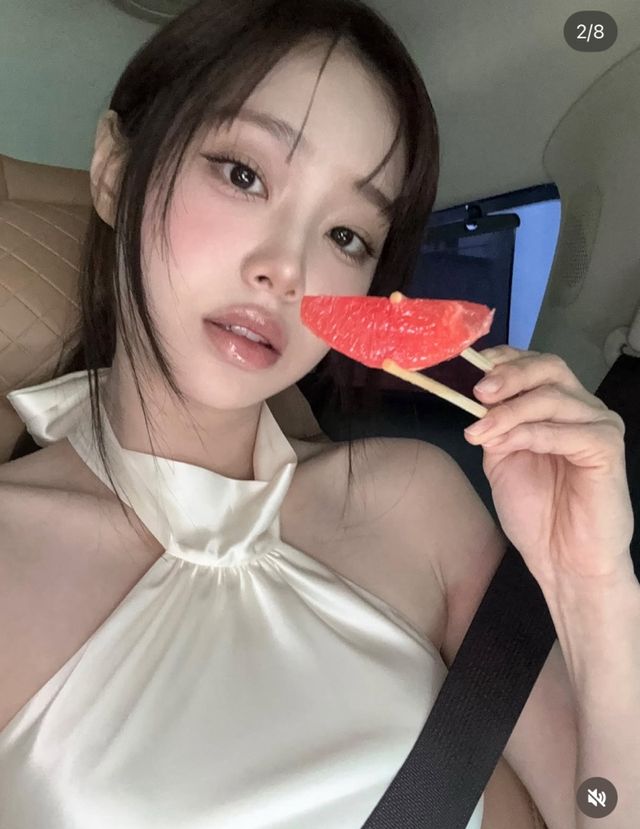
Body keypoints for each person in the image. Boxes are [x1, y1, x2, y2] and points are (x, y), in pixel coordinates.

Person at [1, 1, 637, 828]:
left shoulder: (415, 502)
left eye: (346, 235)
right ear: (115, 172)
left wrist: (592, 586)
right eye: (243, 174)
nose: (287, 268)